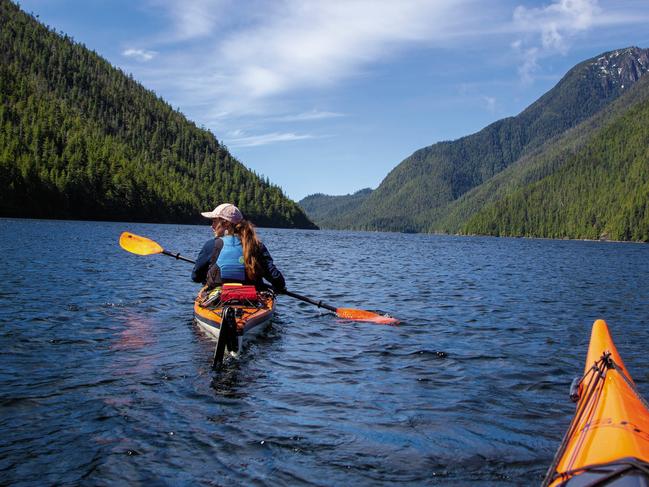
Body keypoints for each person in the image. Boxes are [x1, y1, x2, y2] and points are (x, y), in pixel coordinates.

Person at [191, 203, 286, 293]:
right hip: (251, 300)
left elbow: (196, 277)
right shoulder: (257, 246)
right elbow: (277, 279)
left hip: (217, 300)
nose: (212, 226)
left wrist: (209, 275)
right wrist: (279, 288)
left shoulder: (211, 245)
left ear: (226, 224)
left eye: (214, 221)